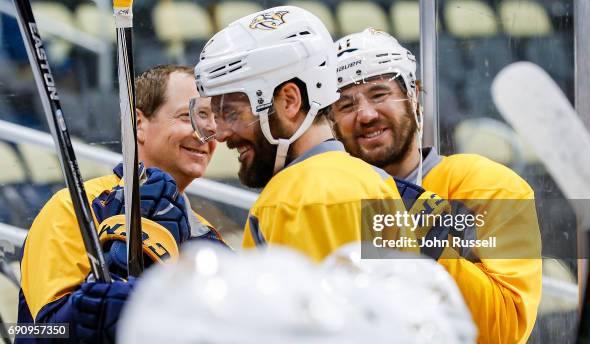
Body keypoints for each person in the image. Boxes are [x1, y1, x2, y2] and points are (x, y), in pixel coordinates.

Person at [330, 28, 542, 344]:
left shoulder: (488, 186)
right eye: (346, 105)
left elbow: (506, 329)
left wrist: (427, 237)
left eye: (379, 94)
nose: (366, 114)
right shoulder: (327, 200)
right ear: (331, 122)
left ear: (414, 96)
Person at [190, 6, 436, 262]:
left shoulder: (299, 199)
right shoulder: (368, 178)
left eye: (232, 113)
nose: (221, 135)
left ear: (289, 101)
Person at [17, 64, 224, 343]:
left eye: (212, 121)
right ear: (139, 124)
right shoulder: (74, 207)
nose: (207, 132)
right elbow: (43, 332)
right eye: (190, 116)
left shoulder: (207, 235)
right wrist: (108, 305)